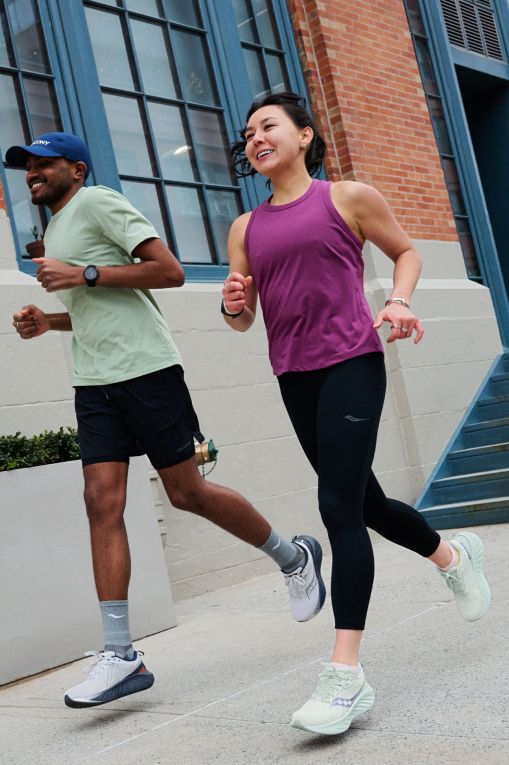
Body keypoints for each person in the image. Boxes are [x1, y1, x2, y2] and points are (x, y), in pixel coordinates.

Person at [8, 131, 326, 709]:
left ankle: (293, 556)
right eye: (26, 165)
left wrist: (83, 274)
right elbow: (96, 312)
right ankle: (120, 654)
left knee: (187, 493)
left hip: (149, 372)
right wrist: (48, 322)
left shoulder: (99, 202)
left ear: (76, 169)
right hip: (95, 382)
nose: (32, 171)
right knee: (100, 502)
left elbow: (170, 272)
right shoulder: (53, 229)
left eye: (44, 163)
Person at [223, 92, 491, 736]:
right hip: (294, 375)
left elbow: (408, 252)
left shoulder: (345, 197)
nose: (258, 137)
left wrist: (398, 301)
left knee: (338, 508)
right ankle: (453, 558)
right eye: (250, 132)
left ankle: (346, 676)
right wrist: (234, 300)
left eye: (271, 126)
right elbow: (241, 320)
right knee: (365, 503)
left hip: (351, 362)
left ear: (305, 134)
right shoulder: (244, 227)